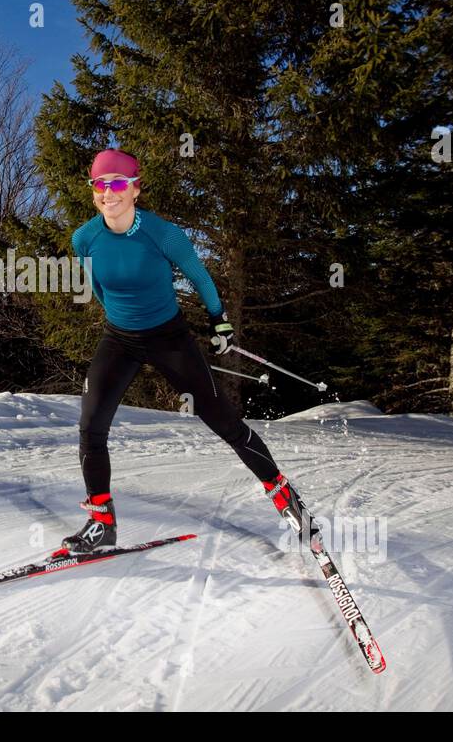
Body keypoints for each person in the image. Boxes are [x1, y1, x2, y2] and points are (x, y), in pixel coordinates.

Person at [61, 148, 301, 555]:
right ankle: (102, 523)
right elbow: (101, 291)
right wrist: (123, 321)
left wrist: (219, 319)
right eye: (101, 185)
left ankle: (285, 497)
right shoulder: (84, 237)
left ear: (136, 189)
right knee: (91, 425)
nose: (109, 193)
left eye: (118, 183)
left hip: (168, 337)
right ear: (93, 191)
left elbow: (199, 276)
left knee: (224, 421)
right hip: (119, 337)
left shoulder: (162, 233)